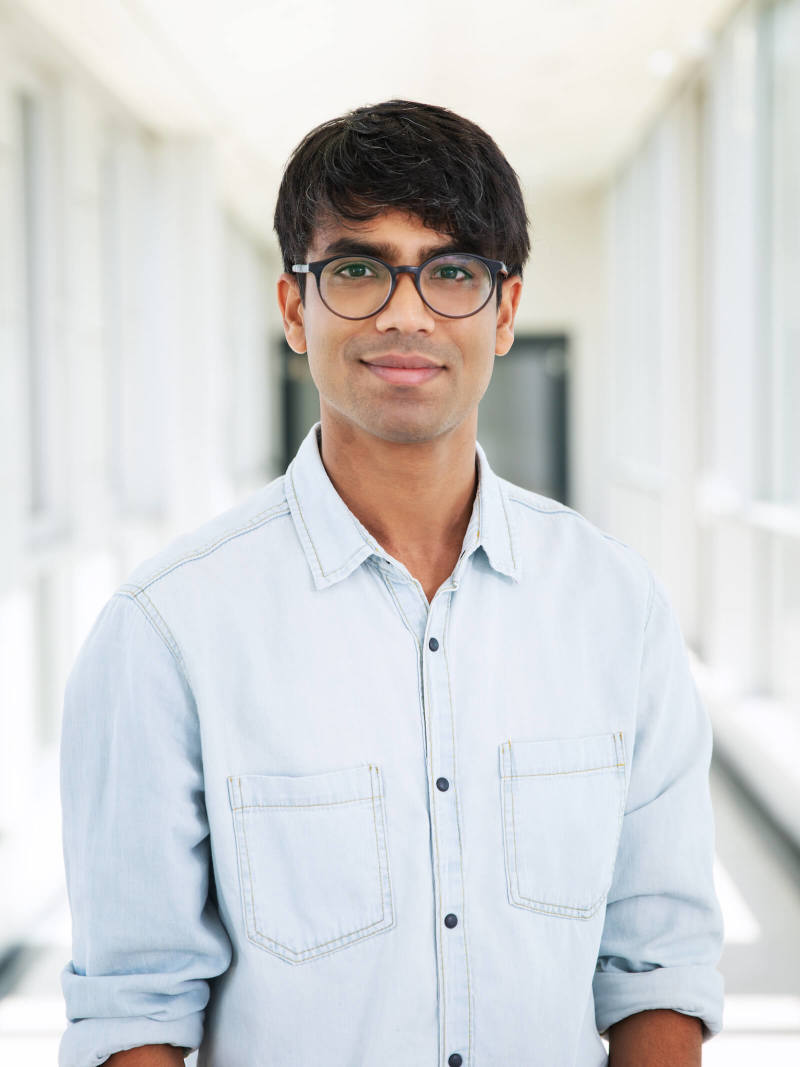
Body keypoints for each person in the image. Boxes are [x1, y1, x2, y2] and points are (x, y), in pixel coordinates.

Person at [59, 99, 724, 1066]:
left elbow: (658, 967)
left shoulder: (616, 607)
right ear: (296, 309)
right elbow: (133, 1011)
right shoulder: (167, 631)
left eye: (452, 271)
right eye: (359, 268)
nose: (406, 311)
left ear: (504, 313)